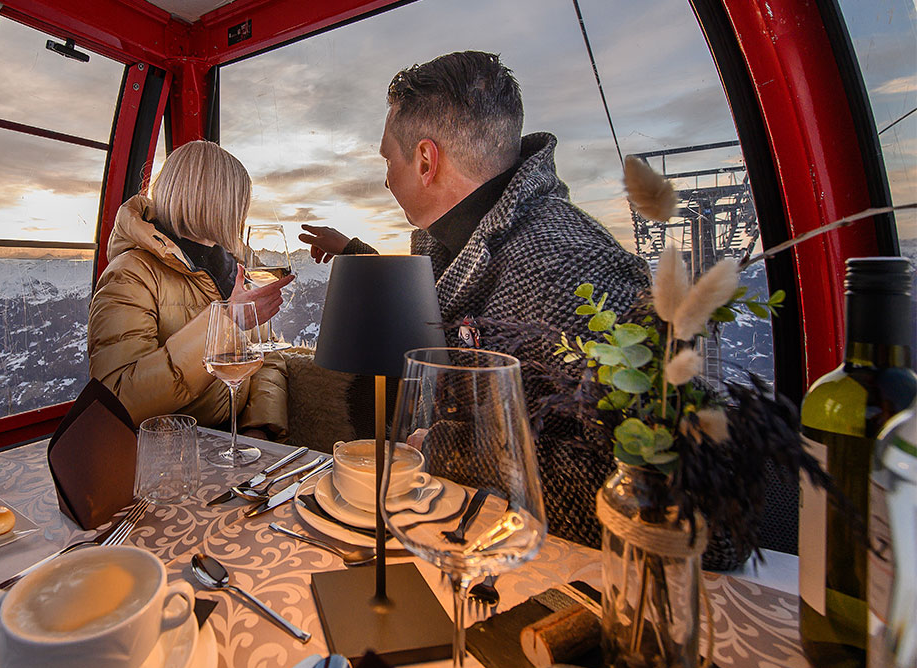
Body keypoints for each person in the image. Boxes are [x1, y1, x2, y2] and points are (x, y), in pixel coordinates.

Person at [301, 51, 703, 562]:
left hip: (538, 567)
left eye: (387, 160)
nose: (385, 178)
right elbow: (431, 301)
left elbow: (667, 498)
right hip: (451, 537)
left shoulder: (572, 266)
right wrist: (356, 255)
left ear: (425, 161)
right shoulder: (445, 240)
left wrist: (446, 452)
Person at [88, 140, 294, 439]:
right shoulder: (131, 273)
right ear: (218, 202)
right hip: (167, 448)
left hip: (231, 442)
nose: (241, 213)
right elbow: (118, 397)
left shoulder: (237, 267)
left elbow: (267, 357)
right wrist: (226, 323)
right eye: (238, 201)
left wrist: (259, 426)